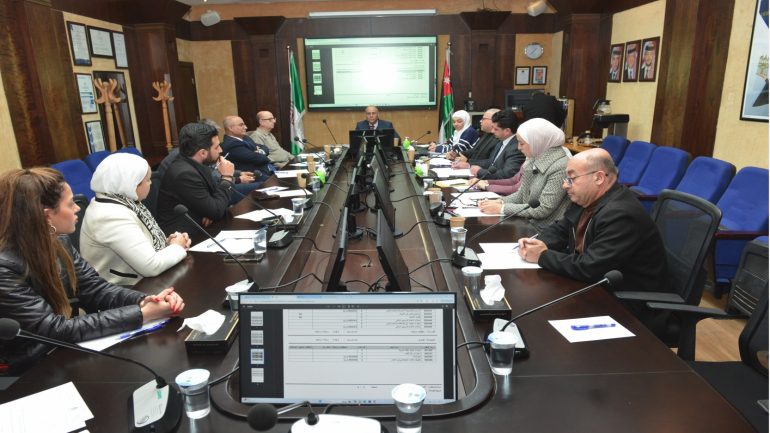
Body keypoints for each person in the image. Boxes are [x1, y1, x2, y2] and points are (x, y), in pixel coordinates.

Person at [0, 168, 184, 374]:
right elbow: (52, 329)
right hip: (24, 370)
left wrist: (145, 301)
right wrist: (141, 314)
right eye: (70, 204)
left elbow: (94, 289)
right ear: (47, 216)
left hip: (61, 352)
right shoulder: (4, 267)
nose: (77, 208)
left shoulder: (58, 242)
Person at [516, 148, 668, 293]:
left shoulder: (622, 215)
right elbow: (561, 229)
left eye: (571, 178)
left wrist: (542, 256)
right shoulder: (585, 199)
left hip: (624, 300)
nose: (565, 185)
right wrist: (536, 243)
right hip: (593, 286)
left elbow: (590, 267)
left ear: (599, 178)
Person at [80, 153, 190, 286]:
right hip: (125, 289)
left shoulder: (121, 201)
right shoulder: (111, 216)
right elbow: (152, 266)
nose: (151, 183)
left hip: (143, 283)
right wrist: (176, 247)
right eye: (148, 180)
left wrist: (168, 244)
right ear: (132, 184)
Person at [478, 118, 570, 224]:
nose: (518, 147)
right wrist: (499, 201)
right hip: (527, 223)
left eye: (521, 143)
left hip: (544, 229)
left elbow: (543, 209)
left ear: (537, 142)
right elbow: (521, 195)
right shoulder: (534, 158)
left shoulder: (560, 167)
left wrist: (502, 208)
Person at [157, 122, 235, 237]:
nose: (221, 150)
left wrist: (210, 211)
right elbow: (217, 210)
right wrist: (227, 177)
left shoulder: (195, 163)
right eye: (216, 147)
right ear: (202, 153)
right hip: (185, 237)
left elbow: (216, 202)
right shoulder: (185, 174)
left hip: (202, 226)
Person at [158, 119, 259, 205]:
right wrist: (234, 179)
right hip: (195, 201)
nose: (220, 150)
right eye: (215, 145)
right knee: (259, 187)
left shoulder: (195, 155)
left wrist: (237, 174)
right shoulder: (185, 161)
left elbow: (215, 172)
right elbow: (212, 183)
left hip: (211, 194)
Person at [469, 108, 525, 180]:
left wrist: (480, 172)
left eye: (496, 129)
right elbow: (491, 162)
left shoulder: (516, 148)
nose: (492, 131)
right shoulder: (501, 142)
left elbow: (507, 174)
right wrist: (469, 164)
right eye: (492, 128)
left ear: (507, 131)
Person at [221, 115, 274, 180]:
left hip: (268, 170)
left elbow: (265, 147)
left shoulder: (245, 137)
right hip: (255, 176)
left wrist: (259, 151)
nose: (246, 127)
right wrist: (260, 152)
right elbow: (260, 159)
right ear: (230, 128)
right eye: (241, 125)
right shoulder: (231, 144)